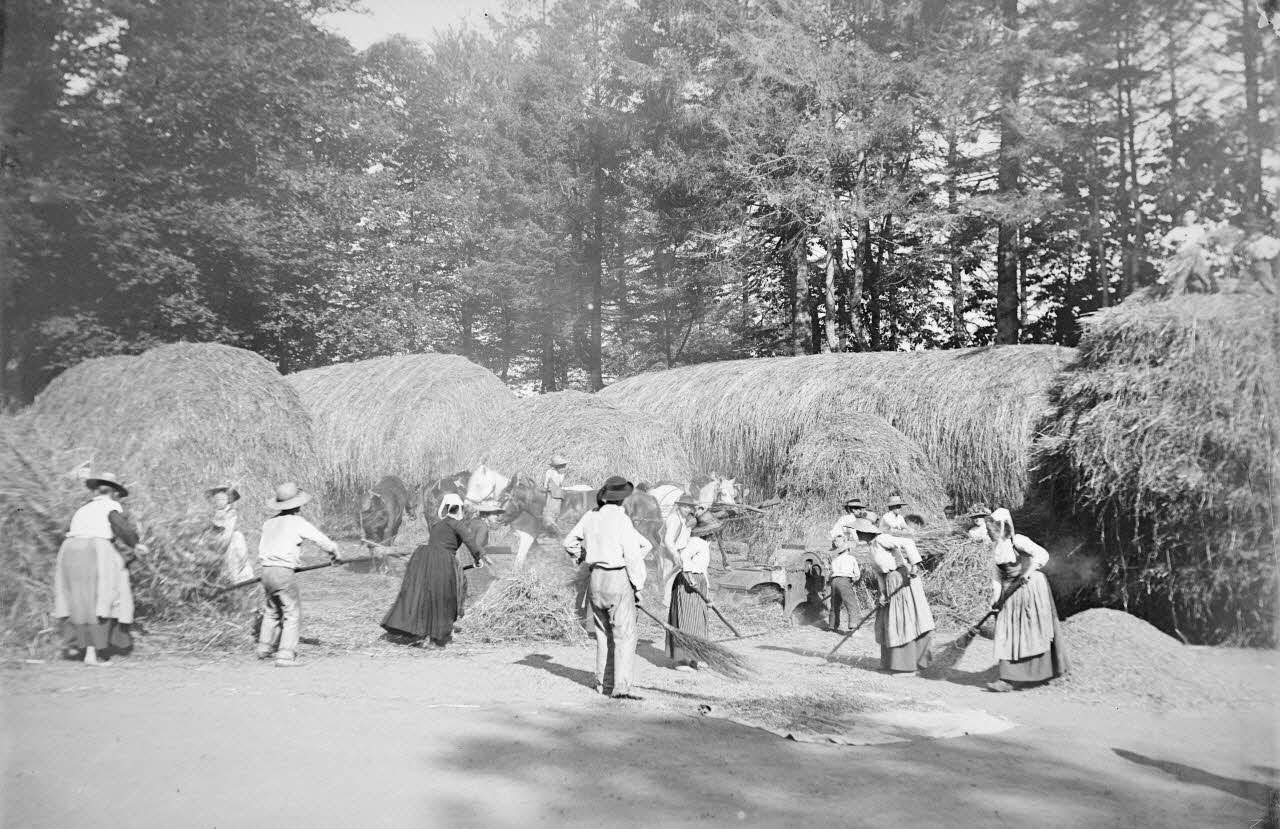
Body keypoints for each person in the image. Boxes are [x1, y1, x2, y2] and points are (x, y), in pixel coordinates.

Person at [563, 476, 652, 700]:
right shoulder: (622, 520)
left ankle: (603, 684)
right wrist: (638, 587)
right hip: (616, 578)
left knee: (603, 634)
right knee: (624, 635)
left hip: (595, 579)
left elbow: (569, 542)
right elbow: (633, 557)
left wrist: (582, 555)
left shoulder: (590, 516)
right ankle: (621, 687)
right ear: (623, 498)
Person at [53, 472, 147, 666]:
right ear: (114, 493)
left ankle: (76, 646)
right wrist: (135, 544)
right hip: (94, 550)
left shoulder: (83, 508)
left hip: (69, 550)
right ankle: (92, 653)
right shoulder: (111, 507)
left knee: (78, 599)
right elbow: (121, 527)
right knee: (103, 597)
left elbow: (66, 529)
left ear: (96, 491)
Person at [382, 493, 486, 648]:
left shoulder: (438, 524)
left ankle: (419, 632)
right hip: (443, 560)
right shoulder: (457, 524)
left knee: (425, 596)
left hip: (423, 559)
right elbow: (470, 541)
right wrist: (478, 558)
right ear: (460, 509)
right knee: (446, 595)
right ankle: (436, 638)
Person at [983, 508, 1070, 692]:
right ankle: (1007, 679)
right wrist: (995, 599)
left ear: (1002, 526)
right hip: (1010, 592)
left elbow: (1042, 554)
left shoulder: (1018, 541)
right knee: (1008, 632)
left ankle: (1040, 673)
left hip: (1031, 589)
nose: (988, 532)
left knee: (1033, 630)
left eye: (991, 528)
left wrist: (1029, 571)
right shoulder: (995, 549)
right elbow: (996, 576)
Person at [256, 482, 341, 666]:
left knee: (272, 610)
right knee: (292, 612)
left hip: (266, 571)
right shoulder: (297, 523)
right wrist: (335, 553)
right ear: (297, 505)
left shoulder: (269, 523)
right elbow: (321, 540)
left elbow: (264, 548)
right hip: (283, 572)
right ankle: (285, 655)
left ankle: (264, 647)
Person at [857, 519, 934, 674]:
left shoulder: (882, 539)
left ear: (867, 531)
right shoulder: (871, 548)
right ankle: (890, 662)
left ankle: (908, 665)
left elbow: (908, 542)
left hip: (903, 579)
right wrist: (882, 593)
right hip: (890, 582)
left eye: (859, 531)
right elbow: (879, 573)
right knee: (888, 621)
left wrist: (915, 565)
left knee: (904, 620)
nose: (857, 533)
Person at [668, 513, 720, 672]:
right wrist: (690, 576)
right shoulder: (696, 542)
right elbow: (682, 557)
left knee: (699, 621)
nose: (715, 534)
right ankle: (682, 661)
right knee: (688, 620)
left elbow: (703, 570)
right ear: (707, 531)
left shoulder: (704, 544)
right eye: (713, 531)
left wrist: (707, 594)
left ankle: (696, 657)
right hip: (688, 584)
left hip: (698, 583)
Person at [206, 484, 252, 584]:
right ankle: (226, 580)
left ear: (228, 500)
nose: (220, 502)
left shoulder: (231, 513)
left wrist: (224, 541)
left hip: (231, 539)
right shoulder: (213, 514)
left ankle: (241, 578)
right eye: (217, 499)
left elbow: (229, 529)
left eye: (223, 499)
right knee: (223, 563)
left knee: (236, 556)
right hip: (218, 539)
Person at [827, 534, 863, 633]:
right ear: (847, 549)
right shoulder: (851, 558)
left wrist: (830, 582)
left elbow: (830, 574)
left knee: (835, 605)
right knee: (851, 604)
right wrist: (853, 581)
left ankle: (832, 626)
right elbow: (857, 575)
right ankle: (853, 626)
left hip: (834, 581)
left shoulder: (835, 560)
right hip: (844, 581)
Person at [541, 455, 569, 533]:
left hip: (558, 491)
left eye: (564, 466)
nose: (564, 468)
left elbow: (560, 485)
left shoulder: (562, 474)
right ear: (557, 467)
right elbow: (546, 484)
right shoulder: (549, 473)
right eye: (562, 466)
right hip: (551, 491)